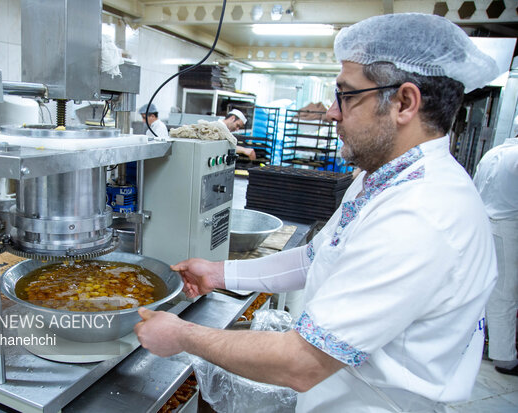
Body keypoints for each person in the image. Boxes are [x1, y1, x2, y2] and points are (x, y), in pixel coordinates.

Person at [134, 13, 500, 412]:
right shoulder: (382, 178)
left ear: (404, 103)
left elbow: (302, 362)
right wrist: (219, 273)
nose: (331, 113)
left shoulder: (421, 214)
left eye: (347, 95)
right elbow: (317, 257)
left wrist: (184, 336)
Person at [473, 117, 518, 376]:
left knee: (485, 287)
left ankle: (480, 341)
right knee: (505, 294)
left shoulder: (492, 153)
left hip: (484, 224)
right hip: (507, 226)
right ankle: (504, 358)